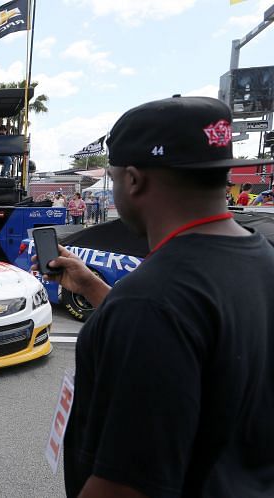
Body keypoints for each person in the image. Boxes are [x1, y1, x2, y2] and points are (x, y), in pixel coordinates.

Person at [36, 95, 274, 497]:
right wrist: (94, 287)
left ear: (133, 179)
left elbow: (128, 486)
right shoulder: (261, 258)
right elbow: (195, 335)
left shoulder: (152, 302)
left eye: (113, 179)